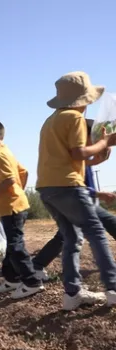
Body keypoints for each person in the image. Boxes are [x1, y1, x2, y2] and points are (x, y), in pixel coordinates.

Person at [35, 71, 116, 310]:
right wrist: (105, 141)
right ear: (85, 99)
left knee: (71, 238)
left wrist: (96, 160)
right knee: (97, 233)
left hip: (48, 189)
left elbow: (70, 159)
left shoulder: (51, 120)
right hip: (69, 186)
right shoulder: (75, 118)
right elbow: (78, 153)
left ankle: (72, 294)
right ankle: (113, 287)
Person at [31, 118, 116, 282]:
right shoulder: (74, 155)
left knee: (66, 236)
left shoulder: (80, 158)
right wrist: (98, 194)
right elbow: (74, 185)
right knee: (101, 227)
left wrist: (100, 158)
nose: (98, 140)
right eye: (95, 136)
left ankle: (39, 266)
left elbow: (85, 168)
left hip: (83, 199)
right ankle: (109, 284)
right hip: (81, 200)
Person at [0, 116, 44, 300]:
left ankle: (32, 281)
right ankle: (12, 279)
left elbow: (10, 179)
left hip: (12, 208)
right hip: (14, 205)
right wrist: (18, 191)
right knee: (12, 245)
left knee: (15, 245)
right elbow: (23, 172)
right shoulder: (6, 152)